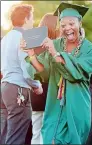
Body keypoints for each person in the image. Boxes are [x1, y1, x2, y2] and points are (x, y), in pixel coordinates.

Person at [20, 2, 92, 144]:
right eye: (63, 25)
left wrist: (55, 53)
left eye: (71, 24)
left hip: (77, 106)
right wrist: (31, 54)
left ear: (80, 23)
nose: (67, 28)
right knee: (50, 137)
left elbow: (77, 73)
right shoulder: (56, 43)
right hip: (55, 104)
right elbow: (43, 70)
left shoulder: (90, 50)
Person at [0, 4, 43, 144]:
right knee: (16, 137)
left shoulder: (5, 38)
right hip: (18, 88)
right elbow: (26, 68)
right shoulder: (24, 37)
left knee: (5, 134)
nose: (32, 22)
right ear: (25, 19)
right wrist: (36, 85)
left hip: (4, 88)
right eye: (32, 18)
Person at [29, 13, 60, 144]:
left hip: (34, 93)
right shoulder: (51, 46)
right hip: (49, 93)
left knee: (36, 133)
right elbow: (46, 72)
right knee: (50, 133)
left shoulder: (33, 44)